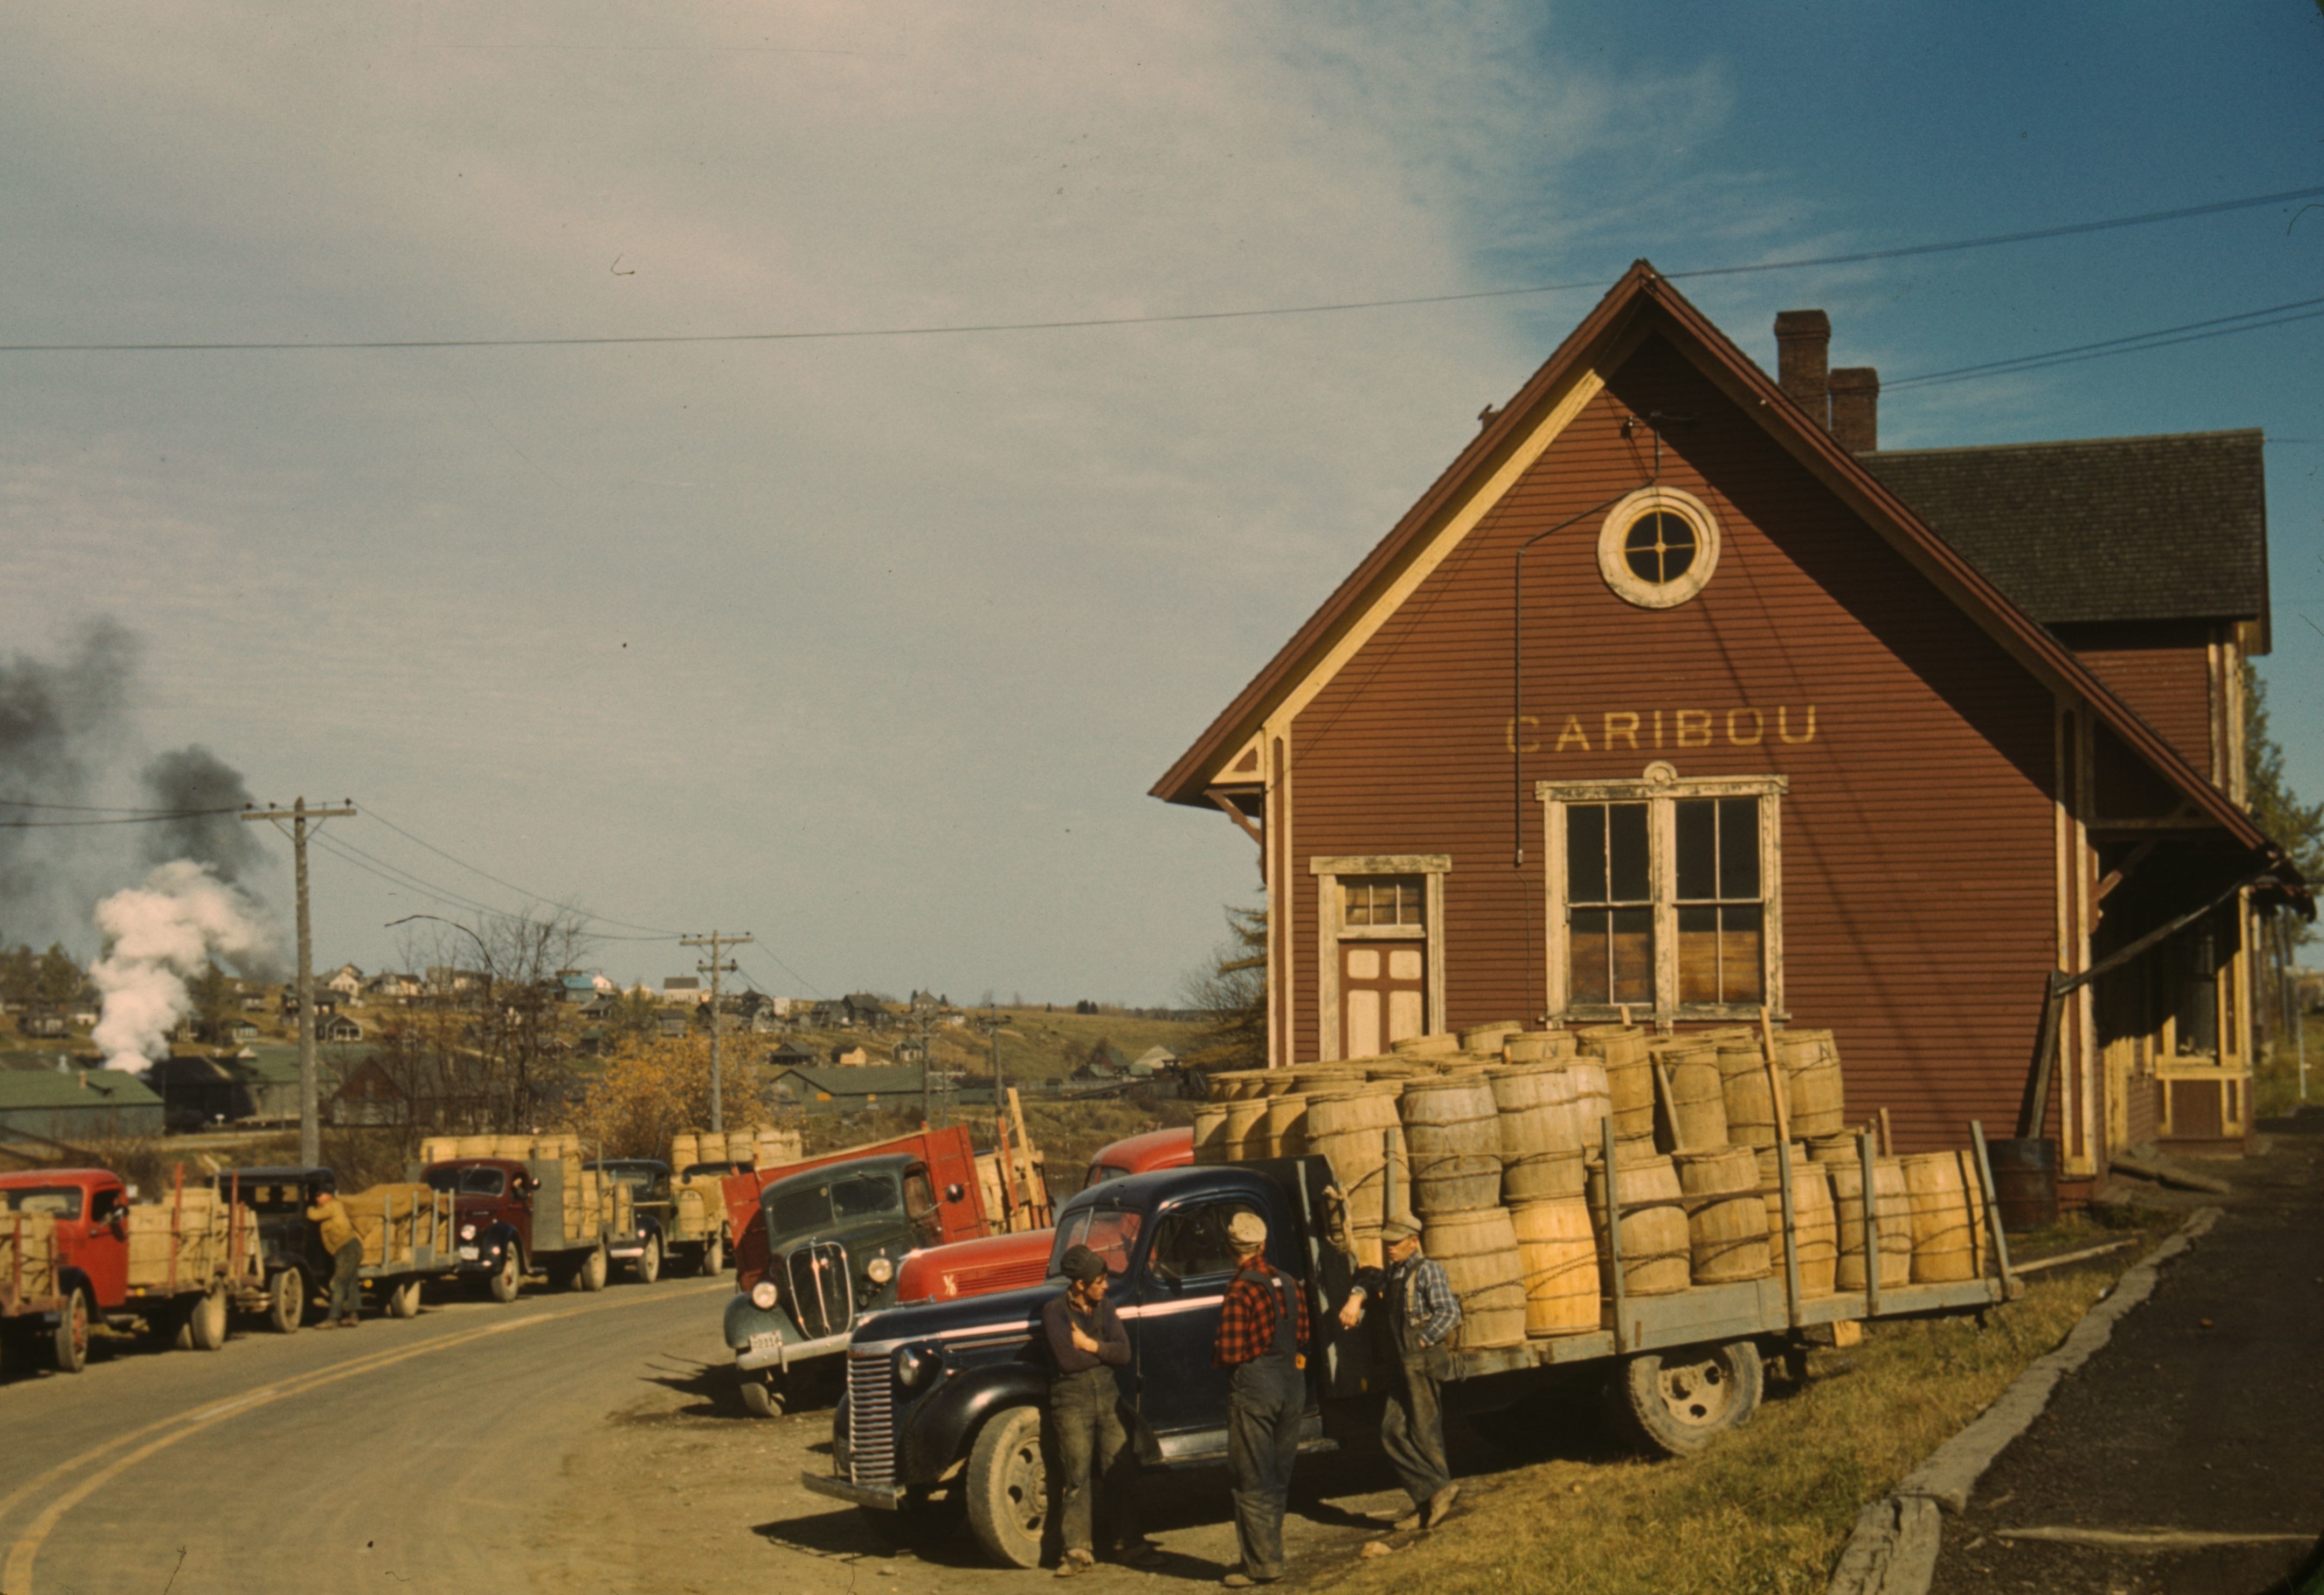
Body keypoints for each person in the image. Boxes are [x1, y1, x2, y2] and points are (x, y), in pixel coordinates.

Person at [1337, 1213, 1461, 1531]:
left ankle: (1430, 1502)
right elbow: (1368, 1278)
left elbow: (1449, 1312)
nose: (1390, 1248)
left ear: (1414, 1241)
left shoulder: (1427, 1270)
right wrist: (1356, 1297)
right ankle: (1433, 1494)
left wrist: (1422, 1339)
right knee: (1392, 1432)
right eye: (1387, 1243)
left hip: (1421, 1360)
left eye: (1396, 1243)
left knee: (1424, 1432)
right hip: (1401, 1363)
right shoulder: (1395, 1273)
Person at [1041, 1244, 1159, 1577]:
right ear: (1080, 1284)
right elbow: (1067, 1360)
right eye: (1100, 1281)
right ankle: (1077, 1551)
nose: (1106, 1287)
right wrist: (1103, 1352)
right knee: (1076, 1476)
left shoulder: (1105, 1307)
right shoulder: (1054, 1312)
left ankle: (1130, 1544)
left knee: (1118, 1470)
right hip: (1072, 1403)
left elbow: (1124, 1354)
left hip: (1107, 1398)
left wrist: (1090, 1345)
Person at [1212, 1210, 1310, 1588]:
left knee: (1251, 1477)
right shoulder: (1290, 1283)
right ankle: (1269, 1554)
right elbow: (1301, 1336)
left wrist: (1218, 1356)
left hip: (1256, 1390)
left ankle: (1262, 1565)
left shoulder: (1240, 1289)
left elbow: (1231, 1352)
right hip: (1292, 1386)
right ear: (1263, 1244)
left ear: (1230, 1248)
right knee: (1277, 1476)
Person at [308, 1185, 361, 1328]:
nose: (317, 1198)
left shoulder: (332, 1206)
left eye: (320, 1195)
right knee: (350, 1282)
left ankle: (333, 1318)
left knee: (339, 1283)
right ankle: (353, 1316)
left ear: (329, 1196)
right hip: (348, 1248)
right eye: (316, 1196)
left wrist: (308, 1207)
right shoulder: (330, 1207)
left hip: (347, 1248)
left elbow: (313, 1216)